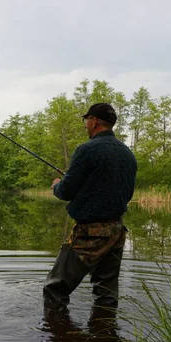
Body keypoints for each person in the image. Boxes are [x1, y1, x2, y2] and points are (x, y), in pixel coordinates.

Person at [43, 102, 137, 308]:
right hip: (117, 232)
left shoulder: (86, 150)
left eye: (87, 121)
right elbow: (126, 193)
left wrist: (57, 185)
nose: (86, 125)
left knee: (55, 289)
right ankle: (104, 336)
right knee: (106, 294)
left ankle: (56, 336)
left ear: (94, 122)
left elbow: (66, 191)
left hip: (90, 233)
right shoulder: (128, 154)